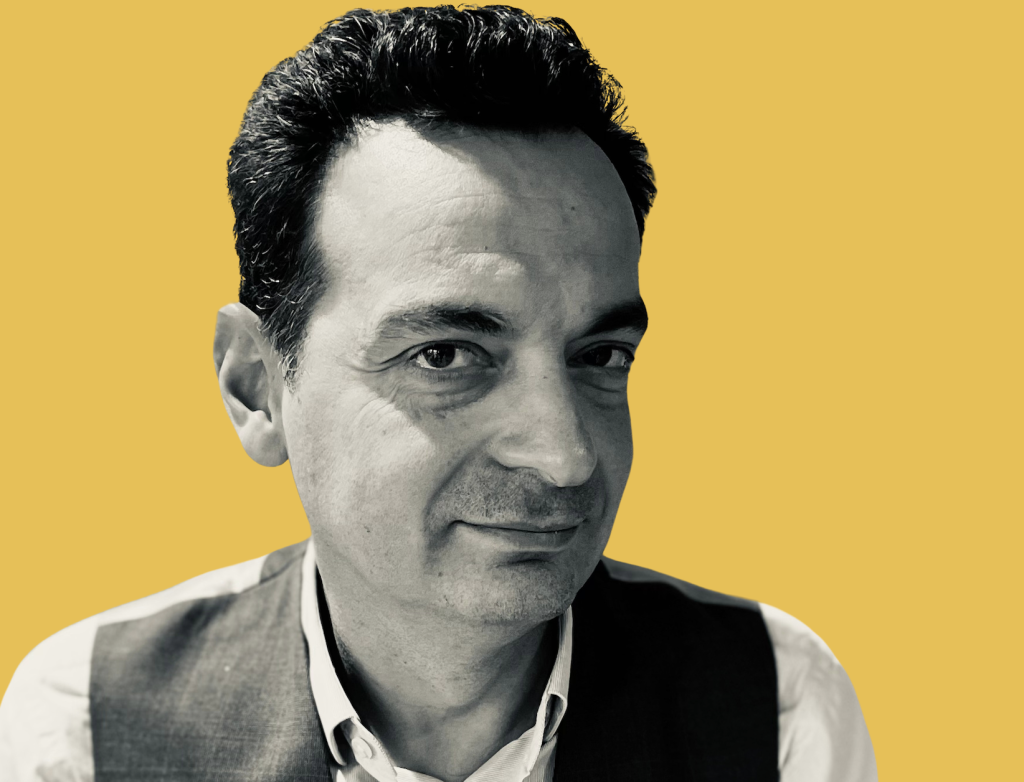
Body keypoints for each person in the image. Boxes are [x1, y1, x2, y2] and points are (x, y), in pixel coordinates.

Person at [0, 6, 876, 781]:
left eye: (601, 355)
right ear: (257, 387)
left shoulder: (776, 703)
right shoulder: (85, 728)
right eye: (447, 355)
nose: (565, 454)